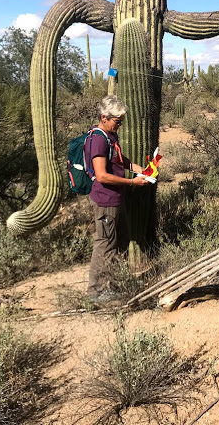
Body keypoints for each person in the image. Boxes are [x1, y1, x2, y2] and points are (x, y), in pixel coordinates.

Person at [86, 95, 148, 299]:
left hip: (116, 199)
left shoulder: (110, 136)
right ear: (104, 117)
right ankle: (96, 291)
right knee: (104, 244)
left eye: (122, 120)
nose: (120, 124)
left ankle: (117, 283)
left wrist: (134, 167)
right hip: (105, 201)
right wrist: (132, 182)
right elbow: (102, 175)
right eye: (117, 120)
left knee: (121, 242)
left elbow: (118, 159)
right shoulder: (97, 139)